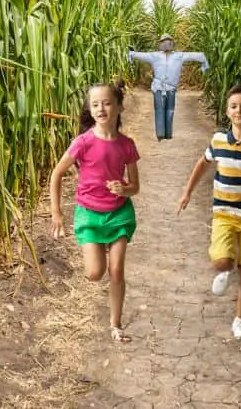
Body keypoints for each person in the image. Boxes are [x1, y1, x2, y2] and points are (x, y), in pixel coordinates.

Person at [176, 84, 241, 339]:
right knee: (222, 261)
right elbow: (203, 164)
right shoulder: (219, 140)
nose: (239, 110)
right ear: (227, 111)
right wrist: (187, 192)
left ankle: (240, 320)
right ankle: (224, 270)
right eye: (234, 106)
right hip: (224, 212)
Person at [49, 82, 141, 342]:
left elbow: (135, 186)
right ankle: (97, 250)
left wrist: (124, 190)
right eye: (96, 104)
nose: (102, 108)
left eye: (107, 102)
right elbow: (56, 174)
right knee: (94, 273)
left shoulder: (127, 145)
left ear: (119, 107)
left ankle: (116, 324)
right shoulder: (83, 142)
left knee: (117, 270)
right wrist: (56, 212)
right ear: (90, 110)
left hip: (119, 214)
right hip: (89, 215)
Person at [127, 34, 209, 141]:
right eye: (164, 41)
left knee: (170, 110)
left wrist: (203, 60)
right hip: (158, 87)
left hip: (171, 88)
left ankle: (168, 134)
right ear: (160, 43)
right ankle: (160, 133)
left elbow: (196, 55)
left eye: (169, 41)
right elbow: (140, 55)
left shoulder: (179, 56)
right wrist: (131, 54)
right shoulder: (155, 56)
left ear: (172, 43)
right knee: (159, 109)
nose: (167, 43)